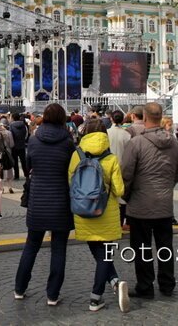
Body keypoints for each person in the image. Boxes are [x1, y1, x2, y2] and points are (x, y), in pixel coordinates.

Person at [120, 102, 178, 299]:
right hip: (164, 203)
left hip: (140, 204)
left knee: (142, 247)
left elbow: (126, 174)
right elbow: (177, 173)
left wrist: (127, 196)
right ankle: (167, 284)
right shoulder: (174, 142)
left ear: (144, 118)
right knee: (165, 246)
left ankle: (145, 285)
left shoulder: (136, 143)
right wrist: (166, 189)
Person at [14, 103, 75, 306]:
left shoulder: (33, 139)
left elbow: (29, 166)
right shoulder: (67, 141)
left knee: (31, 245)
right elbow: (71, 169)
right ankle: (52, 294)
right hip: (60, 199)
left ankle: (20, 288)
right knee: (59, 248)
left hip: (38, 198)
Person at [68, 119, 129, 313]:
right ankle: (95, 297)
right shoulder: (110, 159)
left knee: (97, 251)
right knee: (106, 254)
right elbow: (119, 190)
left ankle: (115, 281)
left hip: (83, 211)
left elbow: (71, 183)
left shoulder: (75, 156)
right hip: (106, 212)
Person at [107, 109, 131, 229]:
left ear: (111, 119)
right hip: (123, 167)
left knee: (110, 196)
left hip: (108, 167)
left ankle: (110, 224)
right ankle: (120, 224)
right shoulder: (127, 135)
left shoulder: (106, 133)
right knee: (121, 197)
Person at [9, 112, 30, 180]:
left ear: (13, 118)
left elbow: (10, 135)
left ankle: (16, 175)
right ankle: (26, 174)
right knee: (23, 161)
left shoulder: (11, 125)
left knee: (15, 161)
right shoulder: (24, 125)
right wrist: (23, 140)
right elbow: (26, 134)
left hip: (14, 146)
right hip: (22, 145)